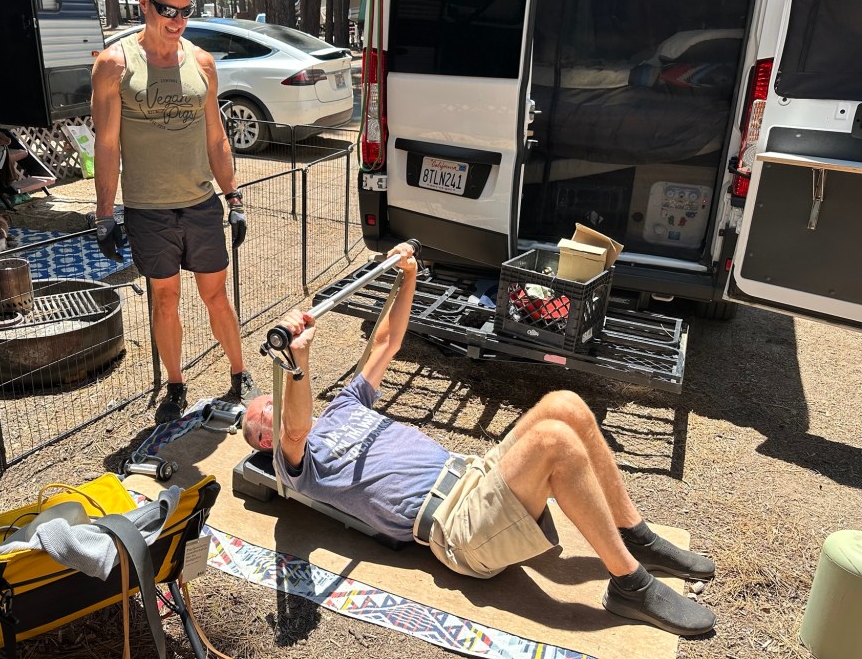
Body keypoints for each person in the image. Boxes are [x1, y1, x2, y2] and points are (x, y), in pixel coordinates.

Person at [242, 242, 717, 637]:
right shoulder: (295, 463)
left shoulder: (345, 406)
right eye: (259, 423)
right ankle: (629, 587)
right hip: (456, 529)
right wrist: (296, 362)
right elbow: (296, 428)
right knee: (555, 441)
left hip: (473, 475)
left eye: (263, 403)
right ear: (264, 444)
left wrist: (407, 274)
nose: (265, 413)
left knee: (566, 405)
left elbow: (385, 343)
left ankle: (636, 537)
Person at [91, 0, 256, 424]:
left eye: (187, 11)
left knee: (217, 296)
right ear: (143, 2)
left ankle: (240, 373)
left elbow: (216, 136)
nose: (178, 22)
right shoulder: (113, 65)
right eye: (169, 11)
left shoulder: (201, 63)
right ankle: (177, 385)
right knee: (165, 299)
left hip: (201, 204)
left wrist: (234, 197)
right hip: (149, 210)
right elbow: (106, 145)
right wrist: (105, 215)